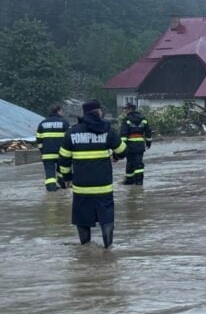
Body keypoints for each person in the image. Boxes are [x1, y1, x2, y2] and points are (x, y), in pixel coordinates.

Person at [58, 99, 127, 248]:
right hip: (103, 187)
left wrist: (67, 178)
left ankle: (85, 248)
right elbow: (122, 150)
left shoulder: (72, 132)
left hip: (81, 188)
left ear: (84, 113)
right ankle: (108, 248)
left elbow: (63, 160)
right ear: (98, 112)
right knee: (106, 217)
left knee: (82, 218)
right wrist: (116, 156)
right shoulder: (107, 130)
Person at [35, 104, 70, 192]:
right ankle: (63, 185)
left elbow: (39, 140)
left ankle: (51, 189)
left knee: (49, 172)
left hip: (47, 153)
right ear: (59, 111)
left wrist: (43, 151)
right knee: (61, 170)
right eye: (62, 111)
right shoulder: (64, 123)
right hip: (61, 153)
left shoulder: (43, 123)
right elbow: (69, 138)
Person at [119, 102, 152, 185]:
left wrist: (122, 146)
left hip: (129, 146)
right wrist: (148, 143)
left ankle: (129, 181)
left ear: (130, 109)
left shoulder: (126, 120)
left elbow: (123, 135)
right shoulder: (143, 119)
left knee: (130, 162)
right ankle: (139, 182)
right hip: (140, 146)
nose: (125, 110)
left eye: (126, 109)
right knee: (138, 162)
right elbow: (148, 132)